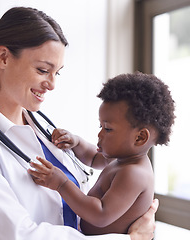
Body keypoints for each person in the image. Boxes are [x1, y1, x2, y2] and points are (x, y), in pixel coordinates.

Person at [0, 7, 158, 240]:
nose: (51, 85)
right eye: (42, 70)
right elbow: (14, 236)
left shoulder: (46, 130)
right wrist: (131, 238)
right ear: (3, 57)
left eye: (56, 73)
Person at [29, 72, 175, 235]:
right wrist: (76, 142)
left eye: (108, 129)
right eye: (101, 126)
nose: (100, 135)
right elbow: (93, 158)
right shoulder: (123, 158)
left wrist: (61, 184)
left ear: (140, 137)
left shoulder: (134, 174)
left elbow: (100, 215)